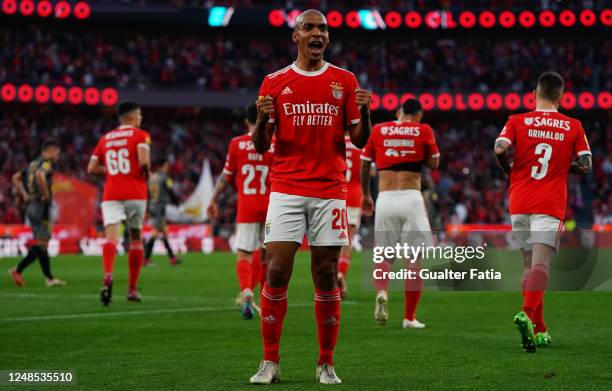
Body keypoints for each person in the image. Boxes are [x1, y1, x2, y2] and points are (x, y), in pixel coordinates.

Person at [248, 9, 372, 385]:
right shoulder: (273, 81)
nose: (318, 33)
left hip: (329, 190)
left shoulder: (344, 80)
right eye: (310, 27)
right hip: (286, 188)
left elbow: (360, 139)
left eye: (323, 29)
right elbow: (259, 145)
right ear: (296, 36)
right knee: (277, 269)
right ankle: (270, 362)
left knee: (325, 274)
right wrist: (263, 119)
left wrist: (366, 114)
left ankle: (325, 363)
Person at [494, 71, 591, 352]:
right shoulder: (573, 126)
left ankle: (540, 328)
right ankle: (526, 313)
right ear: (561, 97)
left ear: (534, 95)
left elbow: (500, 149)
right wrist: (564, 167)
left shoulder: (517, 120)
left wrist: (509, 172)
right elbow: (585, 164)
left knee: (528, 267)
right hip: (549, 203)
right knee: (541, 266)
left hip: (520, 201)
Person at [361, 98, 440, 329]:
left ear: (399, 112)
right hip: (411, 197)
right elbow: (434, 164)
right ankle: (409, 317)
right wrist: (419, 153)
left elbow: (365, 163)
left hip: (385, 198)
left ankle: (382, 291)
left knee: (384, 255)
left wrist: (366, 194)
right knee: (413, 260)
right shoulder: (422, 129)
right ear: (417, 115)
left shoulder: (378, 130)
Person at [207, 103, 274, 320]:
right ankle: (266, 302)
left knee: (244, 253)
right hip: (271, 205)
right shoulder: (274, 144)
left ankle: (246, 291)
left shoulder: (237, 144)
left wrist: (213, 199)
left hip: (246, 206)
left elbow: (226, 176)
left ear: (246, 121)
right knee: (267, 256)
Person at [87, 101, 152, 306]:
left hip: (112, 193)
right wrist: (146, 173)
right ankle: (132, 289)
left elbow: (91, 168)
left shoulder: (105, 138)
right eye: (139, 114)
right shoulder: (141, 135)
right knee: (135, 238)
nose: (141, 118)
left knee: (111, 238)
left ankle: (107, 276)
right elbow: (143, 162)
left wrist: (112, 172)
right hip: (135, 193)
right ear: (132, 118)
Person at [9, 140, 66, 287]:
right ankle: (18, 270)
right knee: (42, 243)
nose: (58, 156)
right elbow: (40, 176)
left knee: (42, 243)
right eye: (57, 153)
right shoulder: (45, 164)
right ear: (51, 151)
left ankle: (48, 278)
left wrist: (24, 194)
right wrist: (46, 194)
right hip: (41, 206)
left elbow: (15, 177)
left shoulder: (32, 164)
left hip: (31, 205)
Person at [336, 133, 362, 299]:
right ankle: (341, 274)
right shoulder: (361, 145)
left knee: (333, 240)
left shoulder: (335, 142)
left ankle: (332, 281)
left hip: (336, 193)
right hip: (354, 196)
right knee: (348, 241)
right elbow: (369, 171)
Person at [144, 157, 181, 266]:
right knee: (155, 232)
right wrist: (177, 203)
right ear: (164, 165)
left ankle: (172, 257)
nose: (168, 167)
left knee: (164, 232)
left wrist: (147, 209)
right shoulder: (165, 178)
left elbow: (147, 194)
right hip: (160, 206)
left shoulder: (151, 178)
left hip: (152, 205)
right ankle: (145, 258)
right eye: (167, 165)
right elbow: (170, 192)